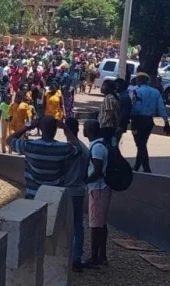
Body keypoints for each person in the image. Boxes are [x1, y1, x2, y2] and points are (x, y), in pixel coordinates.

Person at [7, 116, 83, 199]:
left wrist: (28, 126)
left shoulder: (29, 146)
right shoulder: (62, 148)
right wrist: (65, 128)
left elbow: (9, 140)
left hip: (33, 194)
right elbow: (78, 149)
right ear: (55, 130)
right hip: (55, 195)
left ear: (40, 129)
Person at [60, 117, 90, 273]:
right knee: (78, 225)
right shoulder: (84, 149)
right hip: (79, 189)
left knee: (63, 225)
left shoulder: (67, 149)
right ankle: (76, 257)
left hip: (66, 190)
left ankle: (63, 256)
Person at [130, 72, 170, 173]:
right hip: (148, 122)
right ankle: (137, 166)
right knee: (142, 143)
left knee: (140, 144)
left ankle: (146, 167)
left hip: (136, 122)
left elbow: (133, 107)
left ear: (139, 80)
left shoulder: (136, 91)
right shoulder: (155, 92)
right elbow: (161, 108)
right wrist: (166, 122)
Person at [84, 119, 111, 268]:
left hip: (98, 188)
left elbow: (98, 171)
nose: (83, 129)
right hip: (101, 188)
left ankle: (94, 257)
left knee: (95, 224)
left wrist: (85, 181)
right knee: (101, 223)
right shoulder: (100, 145)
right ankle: (102, 256)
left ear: (90, 130)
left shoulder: (96, 148)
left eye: (85, 127)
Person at [98, 80, 121, 146]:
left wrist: (104, 123)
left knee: (105, 145)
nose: (101, 87)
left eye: (103, 85)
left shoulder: (108, 98)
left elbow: (111, 114)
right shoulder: (111, 97)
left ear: (107, 87)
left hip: (106, 127)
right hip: (108, 127)